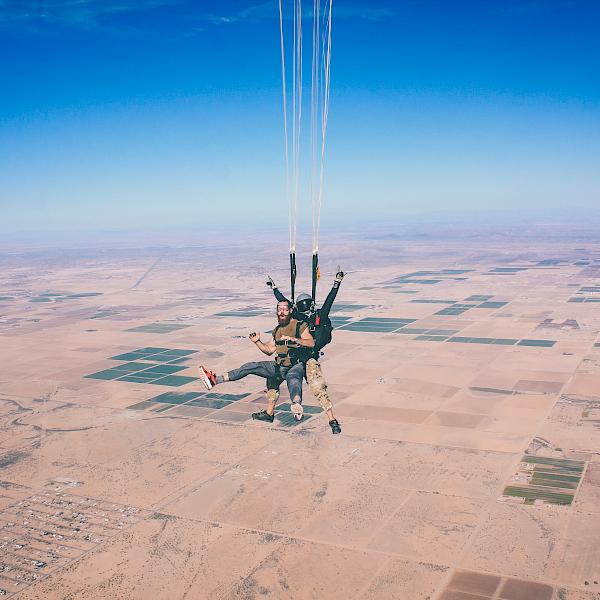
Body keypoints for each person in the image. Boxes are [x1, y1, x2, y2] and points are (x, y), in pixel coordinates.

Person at [198, 299, 315, 424]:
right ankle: (215, 380)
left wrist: (294, 339)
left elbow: (311, 342)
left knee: (293, 379)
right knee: (251, 366)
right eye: (279, 309)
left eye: (285, 309)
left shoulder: (299, 326)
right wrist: (257, 342)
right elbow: (269, 350)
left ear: (290, 311)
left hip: (295, 365)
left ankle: (296, 405)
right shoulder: (277, 330)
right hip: (279, 366)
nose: (281, 312)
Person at [266, 270, 343, 434]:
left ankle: (332, 420)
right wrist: (274, 289)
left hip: (307, 359)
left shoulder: (312, 317)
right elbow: (284, 303)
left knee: (316, 387)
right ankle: (269, 413)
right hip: (298, 359)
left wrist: (337, 283)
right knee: (276, 380)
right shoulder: (306, 316)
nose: (305, 309)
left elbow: (329, 300)